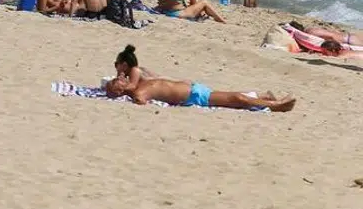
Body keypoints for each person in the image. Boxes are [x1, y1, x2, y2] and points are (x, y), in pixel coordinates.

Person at [104, 75, 295, 112]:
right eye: (116, 81)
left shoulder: (140, 82)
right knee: (237, 98)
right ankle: (278, 105)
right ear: (119, 90)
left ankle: (266, 98)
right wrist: (132, 97)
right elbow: (141, 101)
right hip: (195, 97)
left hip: (195, 88)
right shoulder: (139, 93)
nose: (119, 77)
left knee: (234, 95)